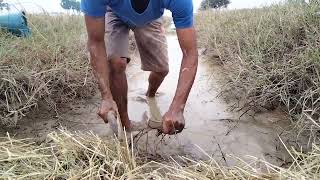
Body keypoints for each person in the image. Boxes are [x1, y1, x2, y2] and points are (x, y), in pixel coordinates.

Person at [80, 0, 198, 135]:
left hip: (150, 18)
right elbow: (95, 42)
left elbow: (190, 52)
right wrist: (106, 96)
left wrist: (178, 108)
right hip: (113, 12)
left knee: (161, 70)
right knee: (116, 63)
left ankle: (150, 95)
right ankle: (126, 126)